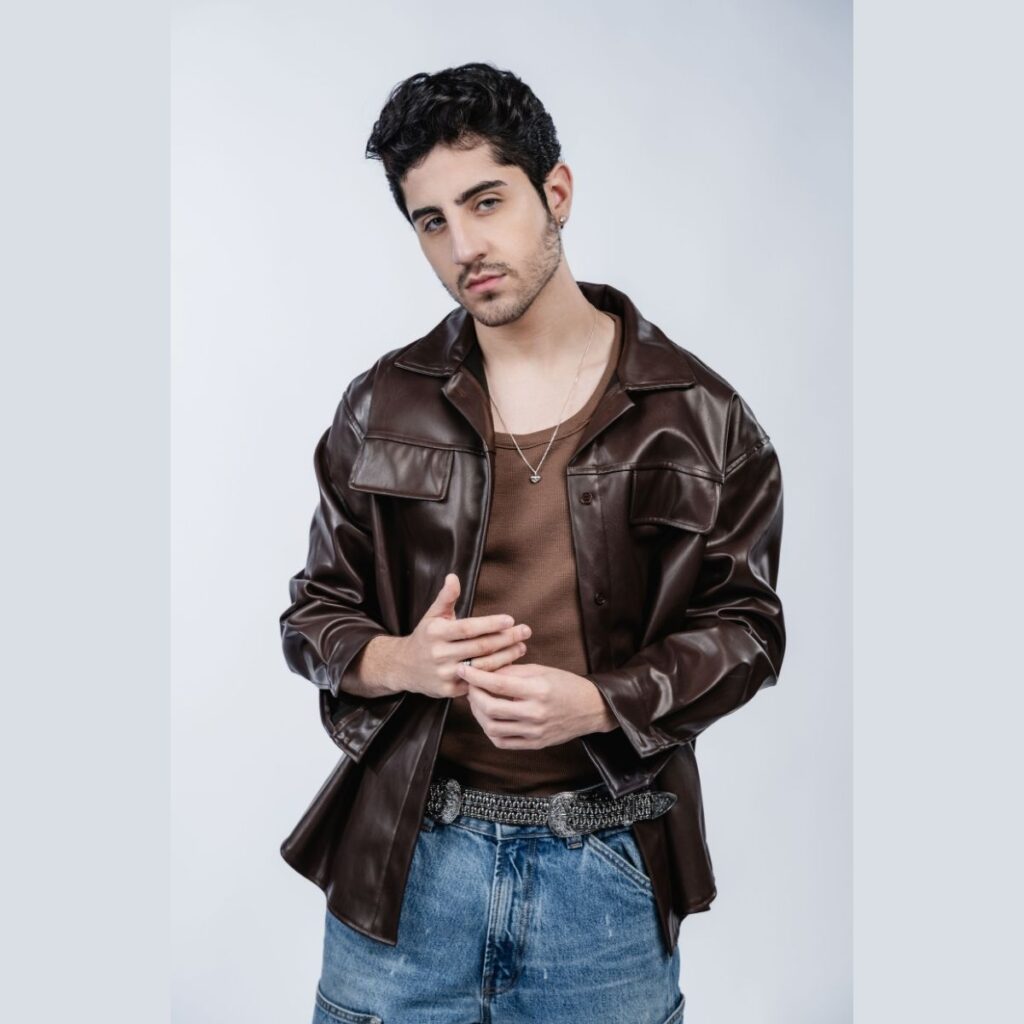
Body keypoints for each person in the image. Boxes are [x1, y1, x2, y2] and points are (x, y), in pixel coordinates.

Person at [280, 61, 786, 1024]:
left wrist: (601, 702)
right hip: (406, 869)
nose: (464, 245)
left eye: (486, 202)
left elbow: (749, 631)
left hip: (604, 877)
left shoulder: (701, 418)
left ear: (555, 192)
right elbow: (313, 614)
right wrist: (400, 659)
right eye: (431, 221)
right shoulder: (382, 404)